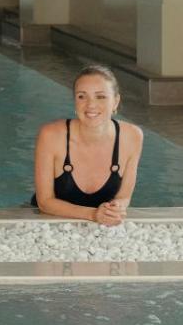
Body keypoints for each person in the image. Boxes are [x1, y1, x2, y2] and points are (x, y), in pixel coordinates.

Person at [32, 65, 143, 226]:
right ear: (75, 101)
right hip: (44, 223)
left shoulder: (131, 136)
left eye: (100, 97)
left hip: (102, 225)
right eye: (82, 96)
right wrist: (93, 214)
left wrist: (114, 209)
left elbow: (124, 196)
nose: (91, 105)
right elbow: (44, 202)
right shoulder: (51, 135)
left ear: (115, 101)